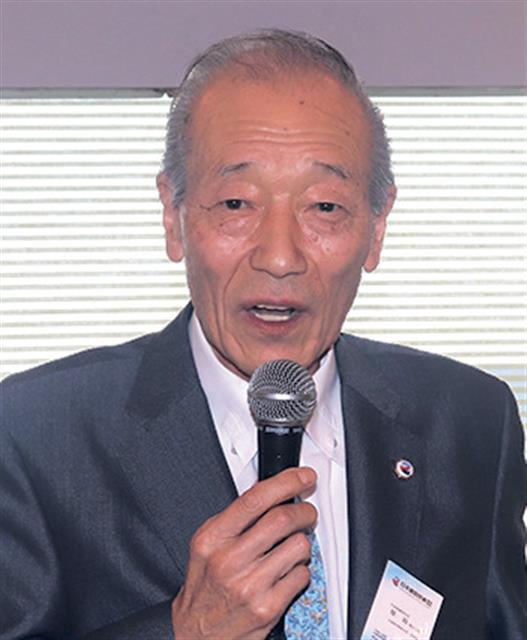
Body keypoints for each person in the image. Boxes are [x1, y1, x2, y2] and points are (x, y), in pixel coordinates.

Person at [0, 29, 525, 640]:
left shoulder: (469, 423)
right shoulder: (35, 434)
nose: (279, 257)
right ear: (174, 215)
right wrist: (185, 632)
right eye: (236, 204)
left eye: (324, 207)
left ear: (377, 226)